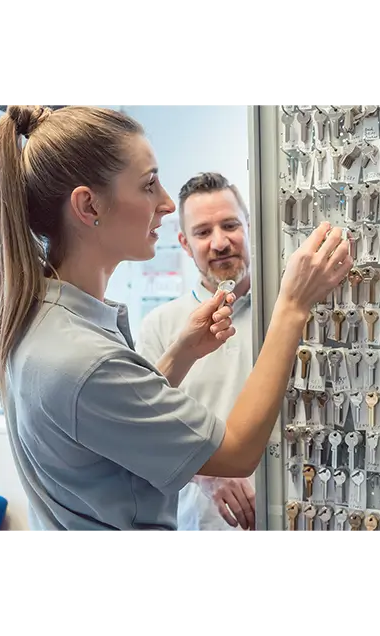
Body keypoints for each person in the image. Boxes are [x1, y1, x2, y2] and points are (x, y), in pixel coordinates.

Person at [0, 104, 353, 535]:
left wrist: (180, 353)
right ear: (88, 206)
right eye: (148, 185)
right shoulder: (79, 357)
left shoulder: (51, 326)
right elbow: (236, 452)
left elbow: (117, 424)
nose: (163, 203)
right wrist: (292, 305)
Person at [137, 172, 255, 535]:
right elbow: (145, 436)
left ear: (249, 227)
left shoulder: (284, 314)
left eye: (230, 225)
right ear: (185, 244)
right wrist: (207, 475)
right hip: (201, 526)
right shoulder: (159, 326)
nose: (220, 242)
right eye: (203, 232)